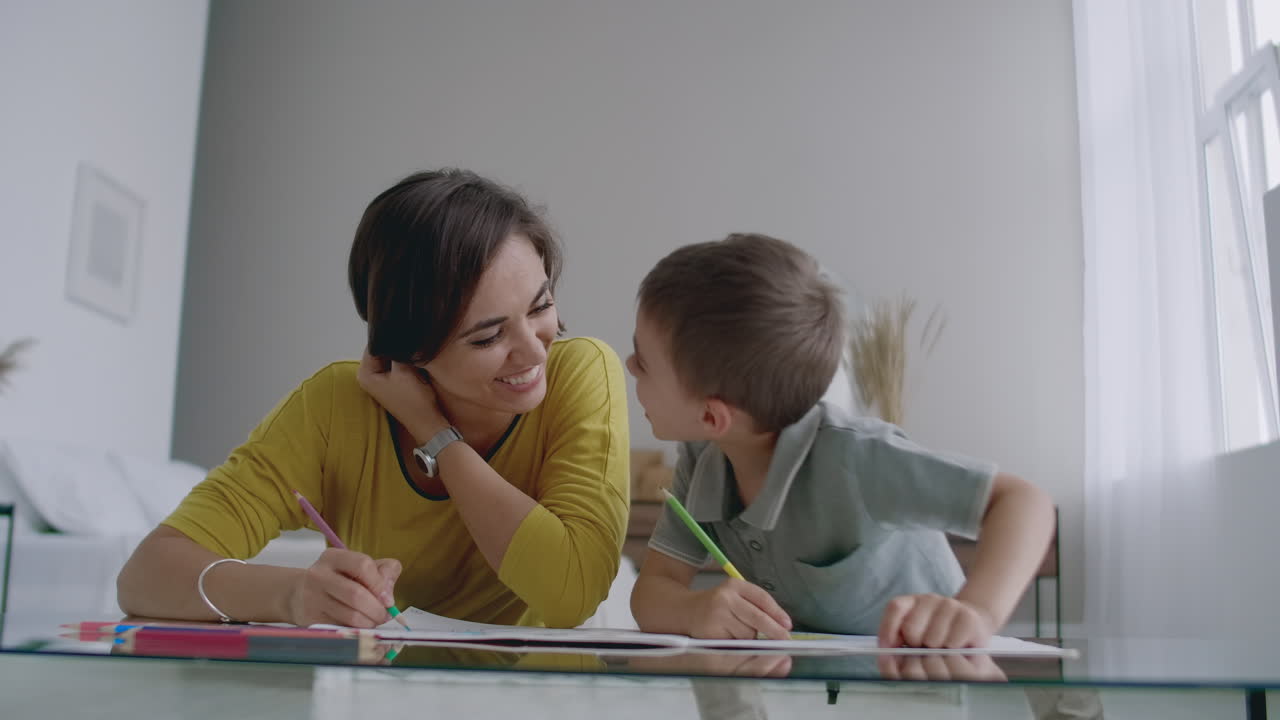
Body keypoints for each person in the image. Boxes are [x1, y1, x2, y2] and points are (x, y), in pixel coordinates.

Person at [118, 169, 630, 629]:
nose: (532, 349)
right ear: (410, 348)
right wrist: (295, 594)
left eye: (541, 306)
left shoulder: (580, 371)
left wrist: (435, 434)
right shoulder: (334, 407)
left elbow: (571, 595)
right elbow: (143, 578)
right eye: (487, 337)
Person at [626, 233, 1054, 648]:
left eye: (642, 361)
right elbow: (653, 591)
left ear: (711, 415)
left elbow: (1023, 501)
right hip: (818, 693)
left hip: (933, 689)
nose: (628, 366)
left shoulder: (858, 456)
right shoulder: (703, 458)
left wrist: (978, 611)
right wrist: (693, 610)